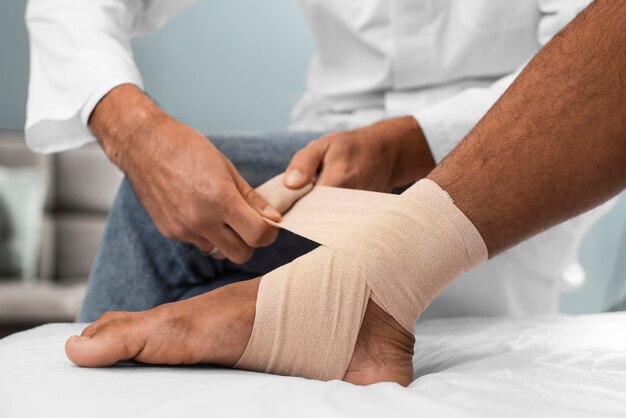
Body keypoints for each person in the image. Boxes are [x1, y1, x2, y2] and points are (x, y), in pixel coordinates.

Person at [63, 0, 625, 386]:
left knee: (163, 249)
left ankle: (363, 299)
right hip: (327, 154)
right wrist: (132, 131)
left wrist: (411, 140)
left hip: (502, 148)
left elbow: (596, 63)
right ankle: (333, 308)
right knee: (173, 227)